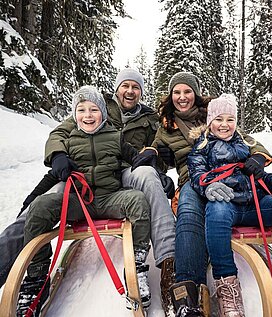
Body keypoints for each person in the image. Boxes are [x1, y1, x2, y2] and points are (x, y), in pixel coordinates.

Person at [0, 69, 176, 316]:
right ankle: (26, 271)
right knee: (39, 206)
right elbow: (60, 133)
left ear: (141, 91)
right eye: (125, 85)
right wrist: (59, 155)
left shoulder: (150, 119)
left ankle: (169, 262)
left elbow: (154, 150)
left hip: (124, 173)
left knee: (147, 177)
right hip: (80, 176)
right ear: (116, 89)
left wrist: (160, 169)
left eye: (135, 87)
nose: (130, 91)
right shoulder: (95, 106)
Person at [151, 72, 272, 317]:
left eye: (187, 91)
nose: (182, 97)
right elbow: (154, 151)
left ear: (196, 94)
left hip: (226, 178)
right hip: (192, 180)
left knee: (218, 208)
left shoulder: (214, 115)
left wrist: (259, 156)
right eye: (177, 92)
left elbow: (246, 140)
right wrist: (157, 160)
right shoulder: (166, 127)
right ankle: (186, 293)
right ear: (171, 95)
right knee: (188, 211)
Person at [187, 93, 272, 317]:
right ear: (210, 122)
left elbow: (261, 178)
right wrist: (208, 186)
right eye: (219, 119)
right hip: (226, 206)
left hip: (256, 204)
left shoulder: (246, 147)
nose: (225, 125)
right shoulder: (201, 149)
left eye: (230, 119)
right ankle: (227, 286)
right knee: (216, 211)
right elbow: (196, 175)